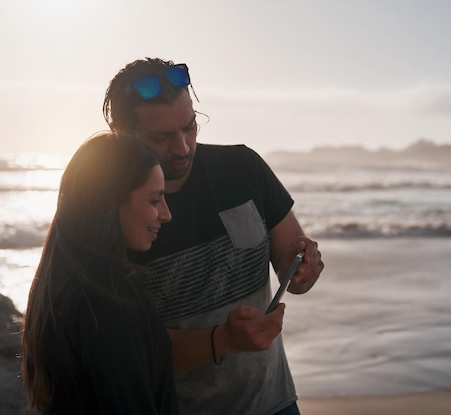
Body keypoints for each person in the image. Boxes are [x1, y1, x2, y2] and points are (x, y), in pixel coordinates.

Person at [103, 58, 324, 415]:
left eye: (190, 127)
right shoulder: (112, 211)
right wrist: (223, 341)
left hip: (275, 402)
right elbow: (132, 347)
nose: (183, 147)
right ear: (120, 134)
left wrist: (301, 267)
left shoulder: (242, 168)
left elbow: (295, 275)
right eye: (161, 137)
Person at [21, 131, 177, 414]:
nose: (166, 214)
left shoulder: (62, 282)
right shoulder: (111, 292)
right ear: (111, 200)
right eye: (154, 201)